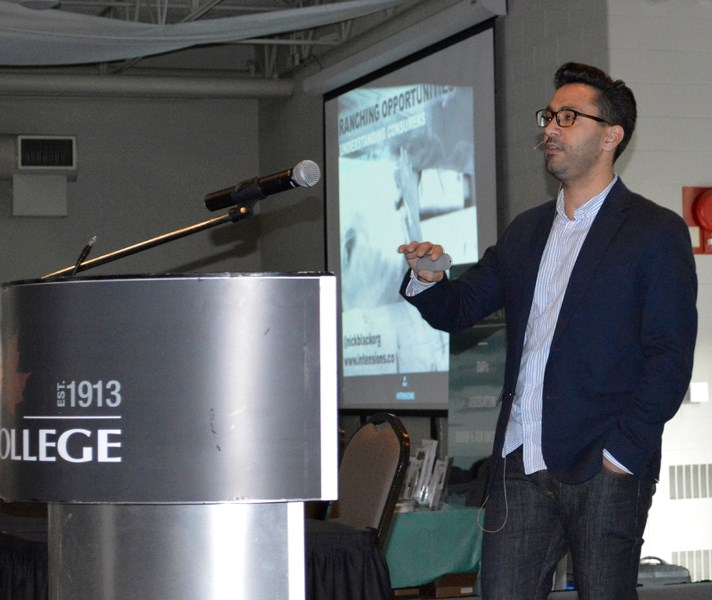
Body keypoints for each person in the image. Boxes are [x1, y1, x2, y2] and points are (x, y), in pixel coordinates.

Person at [397, 62, 698, 599]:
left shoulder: (655, 232)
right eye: (548, 116)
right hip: (520, 461)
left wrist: (623, 452)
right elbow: (461, 308)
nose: (550, 129)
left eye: (567, 117)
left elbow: (670, 355)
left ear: (611, 135)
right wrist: (429, 279)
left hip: (605, 465)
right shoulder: (528, 230)